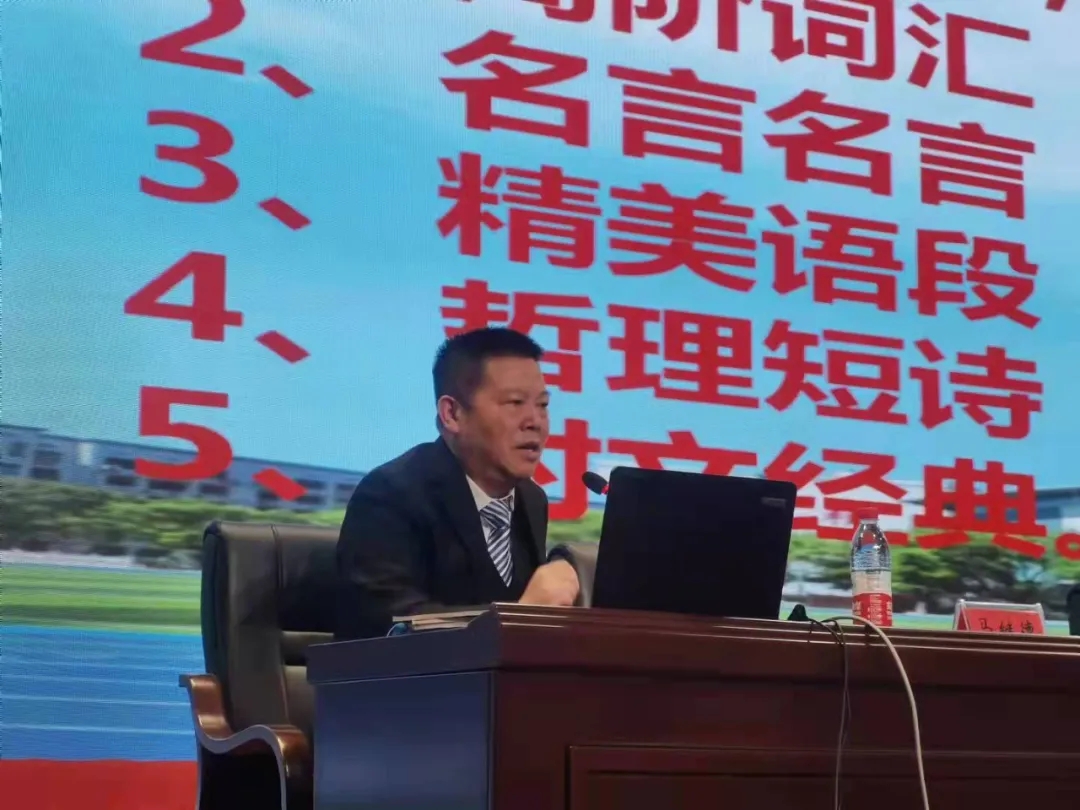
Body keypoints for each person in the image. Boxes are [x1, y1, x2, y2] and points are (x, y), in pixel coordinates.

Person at [336, 327, 581, 639]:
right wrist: (519, 615)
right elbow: (392, 627)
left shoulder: (531, 499)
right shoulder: (390, 494)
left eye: (543, 405)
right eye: (515, 402)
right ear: (452, 414)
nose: (535, 422)